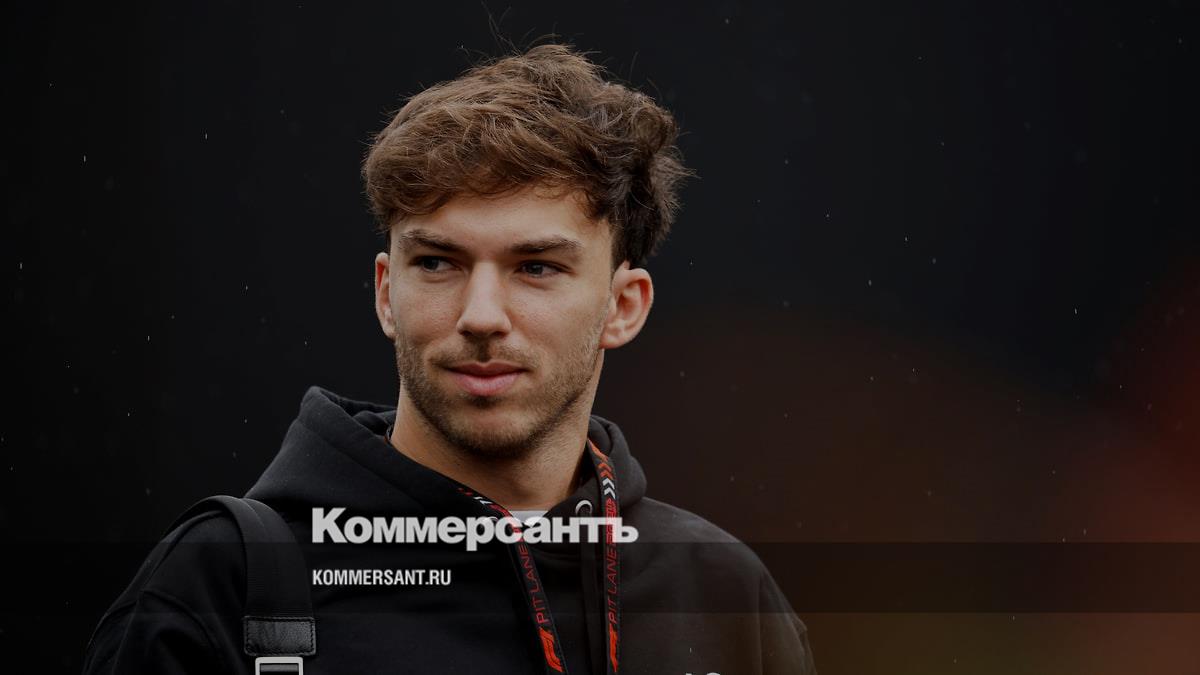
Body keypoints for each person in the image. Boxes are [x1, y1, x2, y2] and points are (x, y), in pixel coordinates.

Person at [83, 43, 816, 674]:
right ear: (386, 292)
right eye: (437, 262)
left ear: (624, 306)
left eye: (536, 267)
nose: (481, 316)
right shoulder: (222, 586)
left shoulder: (723, 595)